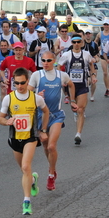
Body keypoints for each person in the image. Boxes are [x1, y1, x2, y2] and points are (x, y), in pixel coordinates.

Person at [0, 67, 49, 215]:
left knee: (26, 166)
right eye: (16, 83)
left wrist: (43, 130)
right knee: (24, 169)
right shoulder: (9, 98)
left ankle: (26, 201)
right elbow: (0, 118)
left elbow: (46, 111)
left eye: (22, 83)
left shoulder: (35, 98)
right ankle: (32, 181)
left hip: (30, 138)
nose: (20, 86)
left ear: (28, 82)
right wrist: (6, 121)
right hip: (15, 139)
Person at [28, 51, 77, 191]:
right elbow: (27, 93)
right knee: (45, 147)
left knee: (51, 146)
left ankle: (50, 174)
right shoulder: (37, 75)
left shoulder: (62, 75)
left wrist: (72, 100)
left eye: (49, 60)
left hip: (56, 116)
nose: (45, 63)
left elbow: (71, 85)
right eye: (43, 60)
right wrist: (36, 95)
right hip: (40, 117)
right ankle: (52, 168)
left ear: (54, 60)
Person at [58, 34, 97, 145]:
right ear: (72, 43)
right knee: (74, 108)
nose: (76, 44)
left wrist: (93, 75)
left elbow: (91, 64)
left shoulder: (86, 54)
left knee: (80, 110)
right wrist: (61, 78)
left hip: (82, 85)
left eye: (78, 42)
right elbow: (59, 66)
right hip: (70, 86)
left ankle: (78, 134)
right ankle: (75, 113)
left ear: (81, 43)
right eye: (74, 42)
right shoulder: (66, 55)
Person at [94, 19, 109, 97]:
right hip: (103, 55)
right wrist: (97, 47)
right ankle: (107, 88)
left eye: (107, 25)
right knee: (105, 73)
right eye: (104, 25)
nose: (106, 26)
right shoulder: (100, 34)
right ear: (103, 25)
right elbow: (95, 41)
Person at [83, 29, 100, 101]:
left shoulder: (94, 44)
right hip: (84, 64)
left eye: (89, 34)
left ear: (92, 35)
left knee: (94, 80)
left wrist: (95, 60)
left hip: (92, 64)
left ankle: (92, 95)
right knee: (87, 81)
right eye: (86, 34)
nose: (88, 35)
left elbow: (97, 56)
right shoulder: (82, 44)